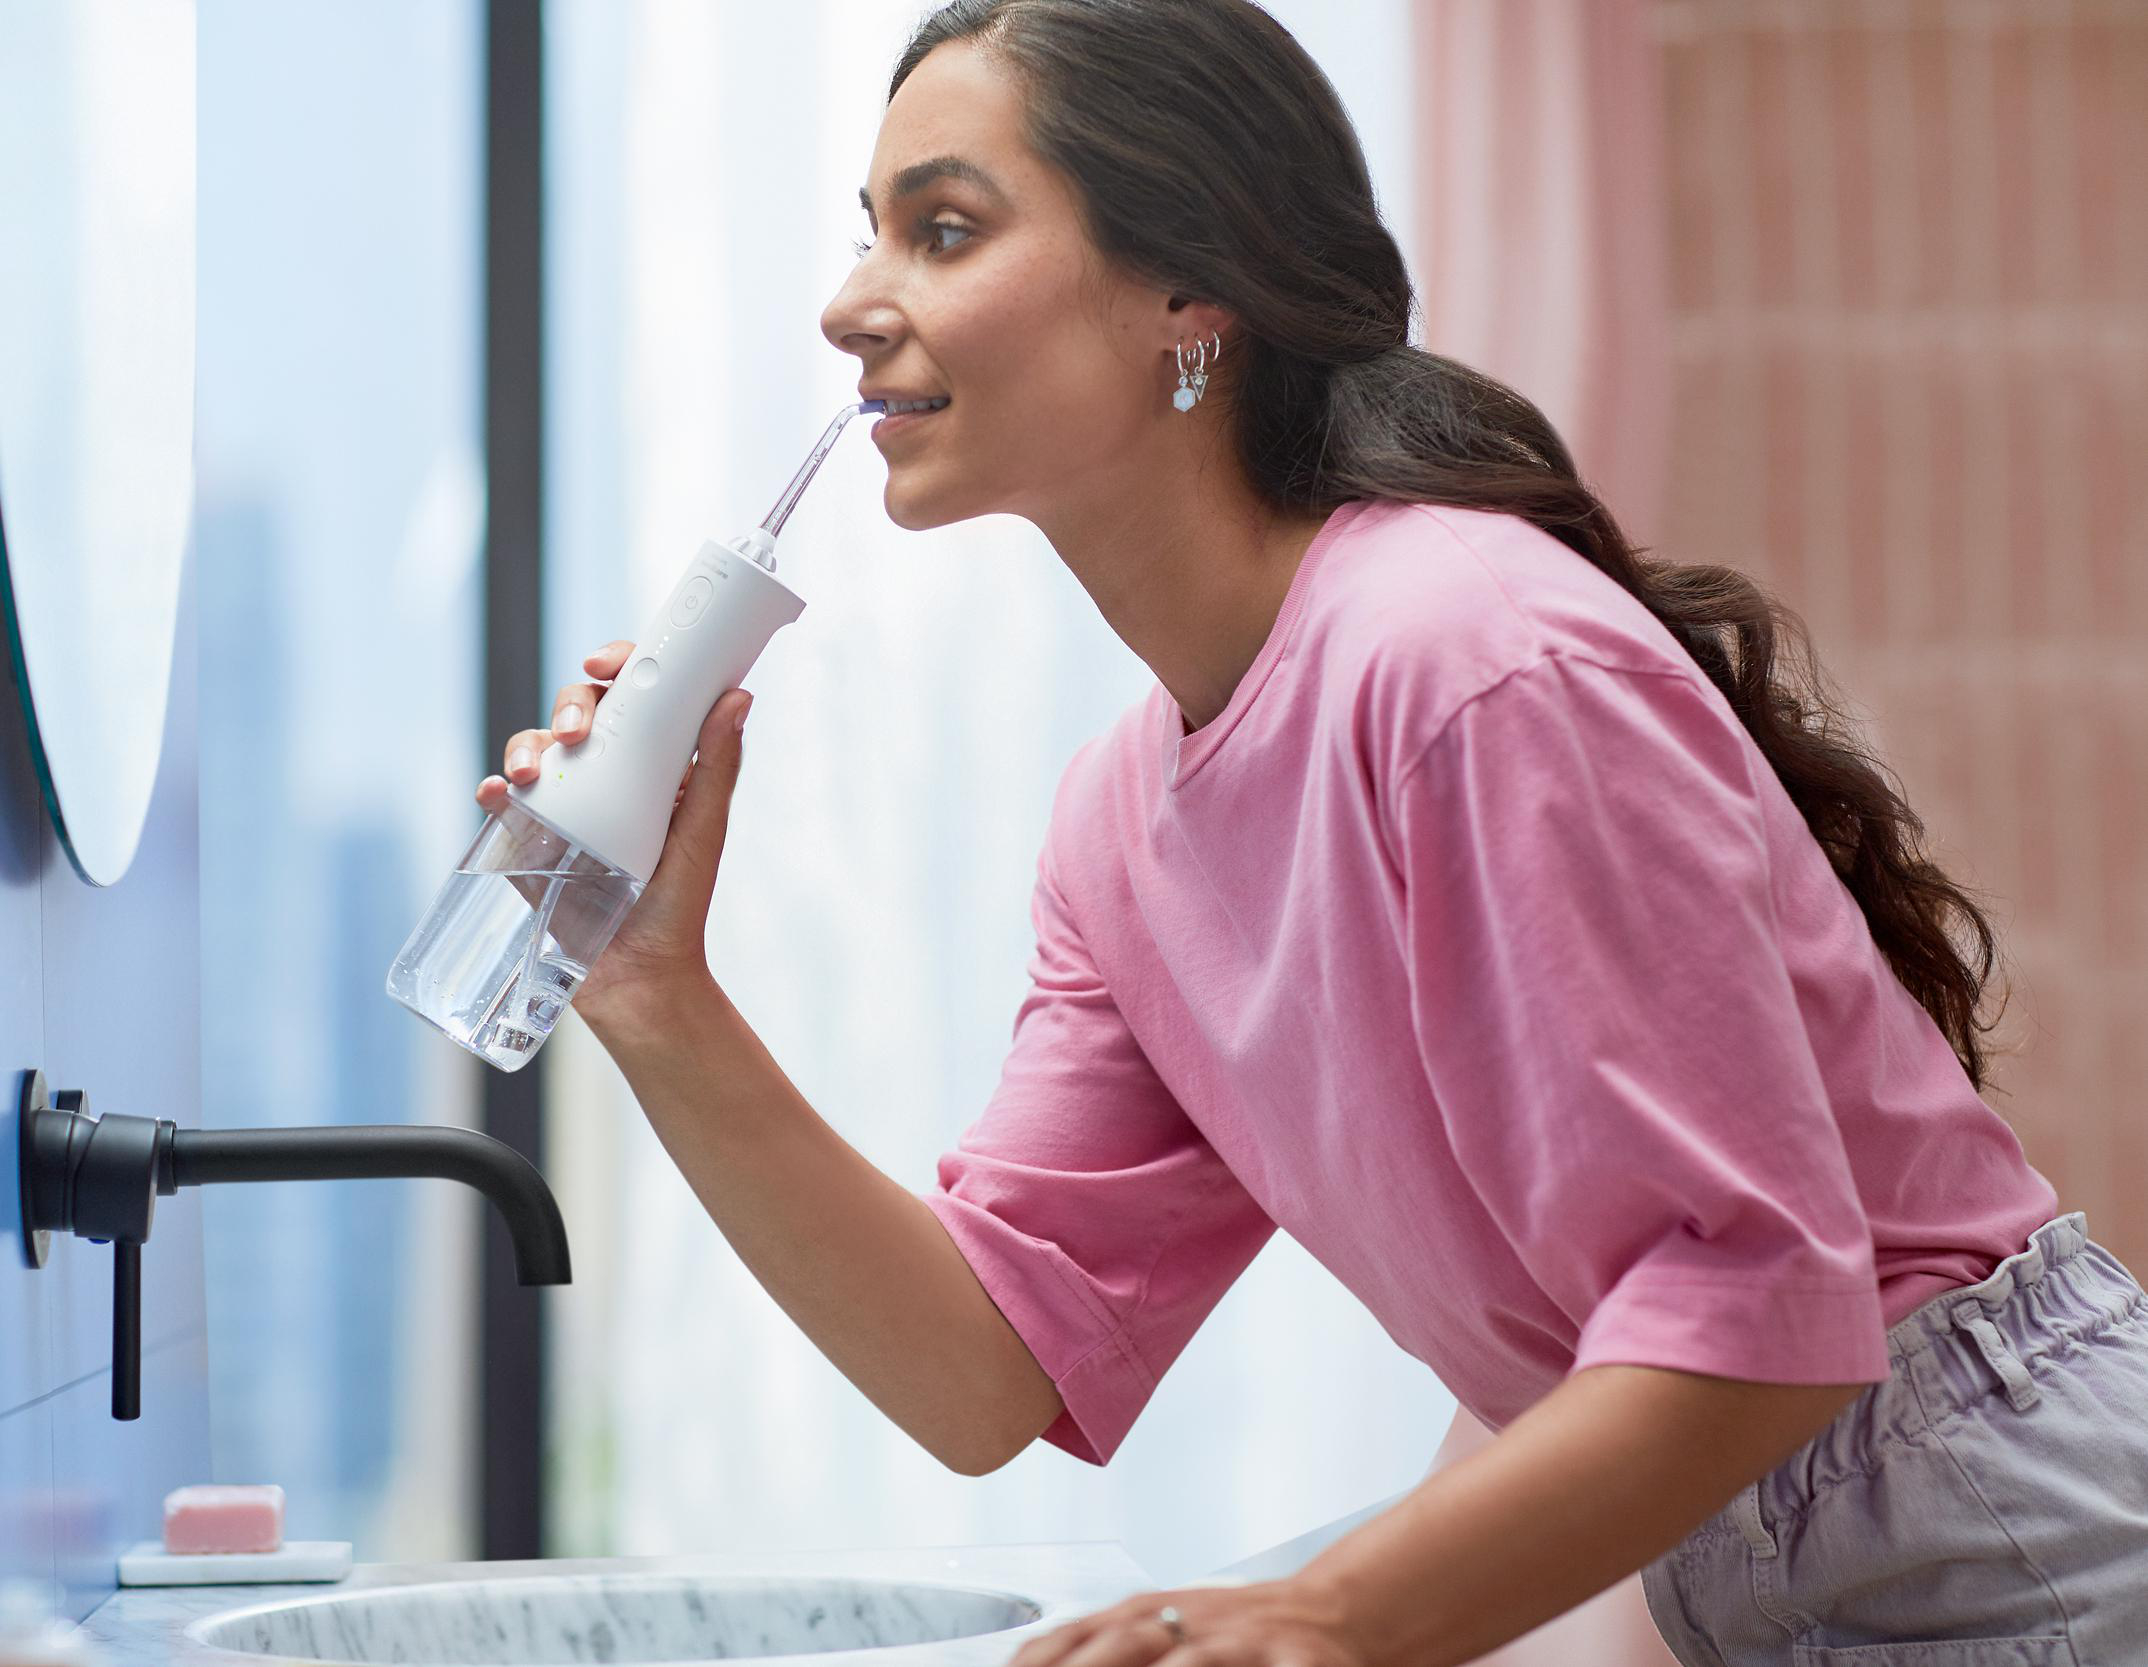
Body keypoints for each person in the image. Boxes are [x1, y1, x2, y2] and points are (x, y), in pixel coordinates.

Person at [477, 2, 2148, 1662]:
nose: (851, 305)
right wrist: (652, 996)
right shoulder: (1123, 823)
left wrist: (1322, 1616)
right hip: (1773, 1580)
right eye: (872, 237)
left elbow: (1758, 1314)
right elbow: (991, 1364)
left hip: (2032, 1550)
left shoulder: (1464, 657)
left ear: (1190, 292)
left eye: (946, 229)